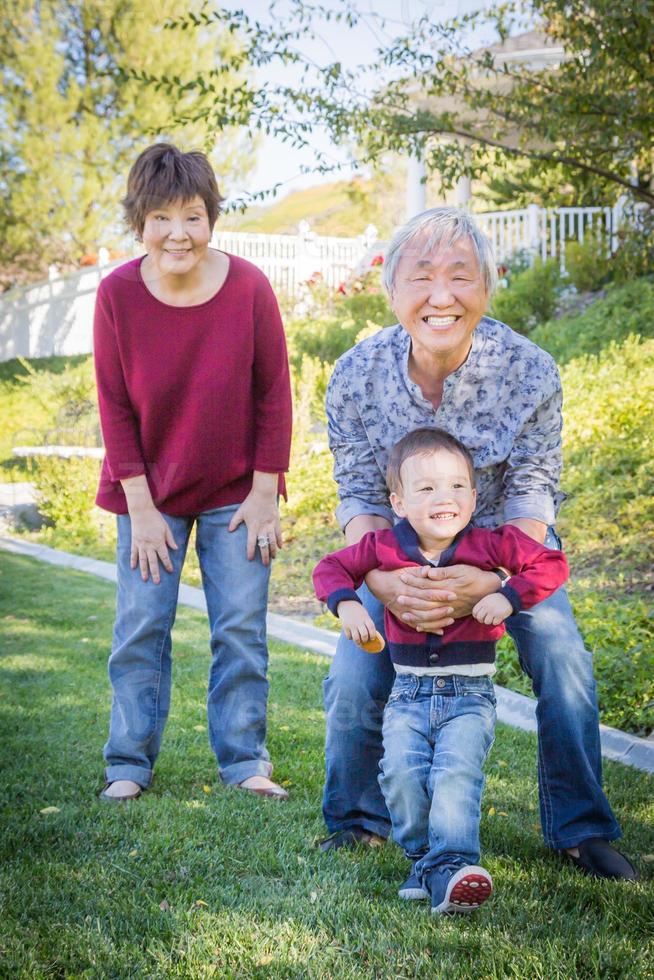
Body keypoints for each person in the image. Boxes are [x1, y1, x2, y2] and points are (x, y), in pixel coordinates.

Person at [319, 206, 637, 881]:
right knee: (353, 668)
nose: (442, 296)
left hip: (506, 549)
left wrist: (489, 582)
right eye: (422, 278)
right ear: (392, 289)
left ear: (486, 287)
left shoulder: (529, 371)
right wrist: (384, 584)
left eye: (461, 277)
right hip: (398, 554)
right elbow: (359, 496)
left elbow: (531, 495)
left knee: (562, 652)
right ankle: (356, 820)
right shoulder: (354, 376)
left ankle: (583, 829)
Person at [94, 142, 292, 801]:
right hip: (148, 494)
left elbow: (274, 393)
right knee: (142, 627)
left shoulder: (250, 289)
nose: (178, 233)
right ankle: (128, 764)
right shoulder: (117, 294)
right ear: (139, 222)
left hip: (237, 493)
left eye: (193, 216)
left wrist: (266, 493)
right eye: (161, 218)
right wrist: (142, 510)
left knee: (239, 626)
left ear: (212, 218)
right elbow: (115, 405)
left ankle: (244, 763)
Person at [314, 427, 569, 913]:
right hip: (407, 693)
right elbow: (329, 568)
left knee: (455, 776)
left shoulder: (492, 546)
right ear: (399, 500)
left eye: (455, 486)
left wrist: (506, 595)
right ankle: (423, 861)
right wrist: (346, 605)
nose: (443, 497)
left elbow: (552, 564)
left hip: (469, 695)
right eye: (426, 488)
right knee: (403, 777)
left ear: (473, 498)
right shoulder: (384, 548)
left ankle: (453, 867)